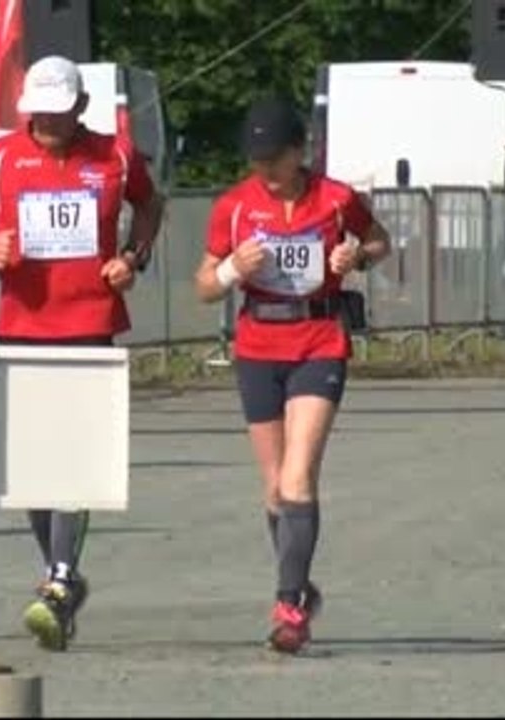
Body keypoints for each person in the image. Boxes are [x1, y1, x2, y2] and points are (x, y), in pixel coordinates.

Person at [0, 55, 165, 651]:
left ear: (81, 107)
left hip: (90, 324)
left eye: (57, 112)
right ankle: (58, 576)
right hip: (21, 327)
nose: (46, 124)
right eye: (38, 113)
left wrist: (133, 257)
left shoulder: (116, 155)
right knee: (30, 469)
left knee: (74, 457)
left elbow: (150, 205)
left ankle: (62, 580)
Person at [193, 96, 392, 654]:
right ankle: (298, 581)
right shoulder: (234, 206)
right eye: (258, 162)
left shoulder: (335, 199)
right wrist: (231, 270)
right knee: (275, 486)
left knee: (298, 477)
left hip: (318, 340)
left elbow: (378, 240)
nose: (267, 173)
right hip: (259, 344)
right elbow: (203, 285)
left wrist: (355, 257)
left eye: (276, 161)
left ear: (299, 152)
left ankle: (289, 607)